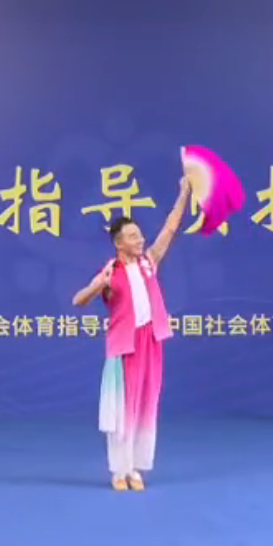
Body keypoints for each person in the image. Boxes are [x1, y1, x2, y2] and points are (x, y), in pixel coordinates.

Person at [72, 177, 191, 491]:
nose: (140, 240)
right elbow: (78, 300)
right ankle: (119, 470)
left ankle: (136, 469)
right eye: (133, 236)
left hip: (152, 342)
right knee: (123, 410)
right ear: (119, 243)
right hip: (125, 347)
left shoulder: (149, 263)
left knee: (146, 406)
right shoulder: (110, 272)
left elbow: (170, 229)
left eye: (140, 235)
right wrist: (99, 286)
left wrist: (184, 193)